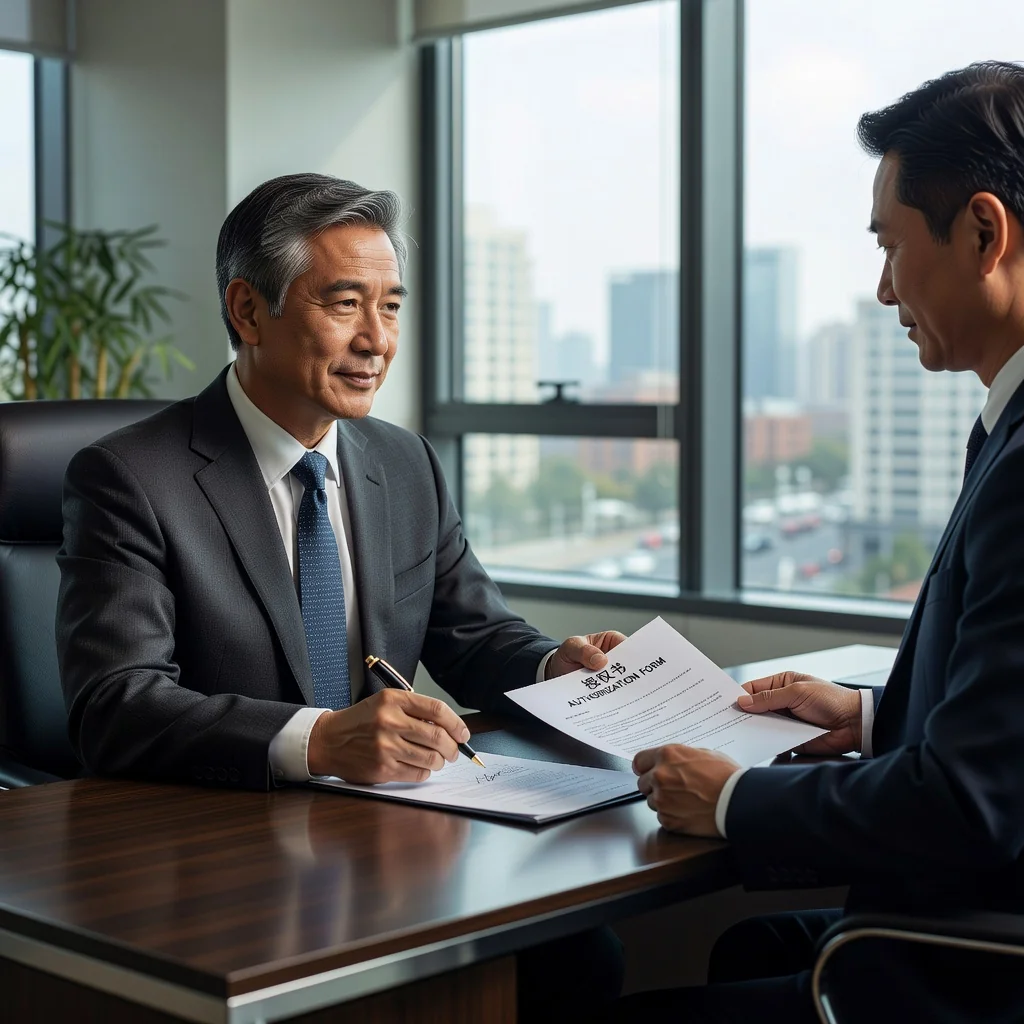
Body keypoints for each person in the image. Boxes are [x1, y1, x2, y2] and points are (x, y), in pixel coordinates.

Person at [56, 173, 625, 1020]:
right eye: (346, 303)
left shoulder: (404, 462)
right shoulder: (131, 477)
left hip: (387, 842)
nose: (377, 340)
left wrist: (554, 665)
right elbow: (116, 703)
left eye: (390, 307)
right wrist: (321, 740)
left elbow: (473, 633)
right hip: (218, 856)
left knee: (578, 957)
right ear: (248, 311)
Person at [613, 62, 1024, 1023]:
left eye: (890, 246)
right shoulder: (1006, 428)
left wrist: (730, 801)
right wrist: (871, 719)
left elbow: (971, 805)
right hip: (969, 926)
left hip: (976, 974)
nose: (883, 289)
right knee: (747, 944)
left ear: (983, 233)